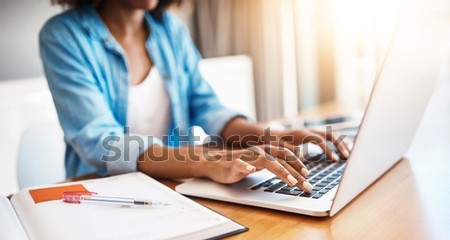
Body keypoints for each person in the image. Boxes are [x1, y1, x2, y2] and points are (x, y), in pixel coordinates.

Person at [40, 0, 351, 193]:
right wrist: (212, 159)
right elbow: (102, 143)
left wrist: (273, 136)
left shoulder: (170, 30)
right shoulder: (63, 36)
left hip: (176, 184)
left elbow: (205, 105)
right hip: (103, 192)